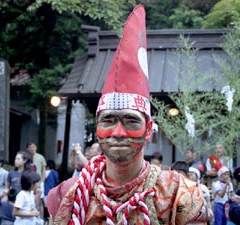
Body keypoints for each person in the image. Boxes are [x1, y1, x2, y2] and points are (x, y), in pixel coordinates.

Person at [47, 5, 210, 224]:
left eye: (131, 120)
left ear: (148, 128)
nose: (118, 132)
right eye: (108, 120)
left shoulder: (180, 195)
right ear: (96, 129)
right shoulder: (68, 195)